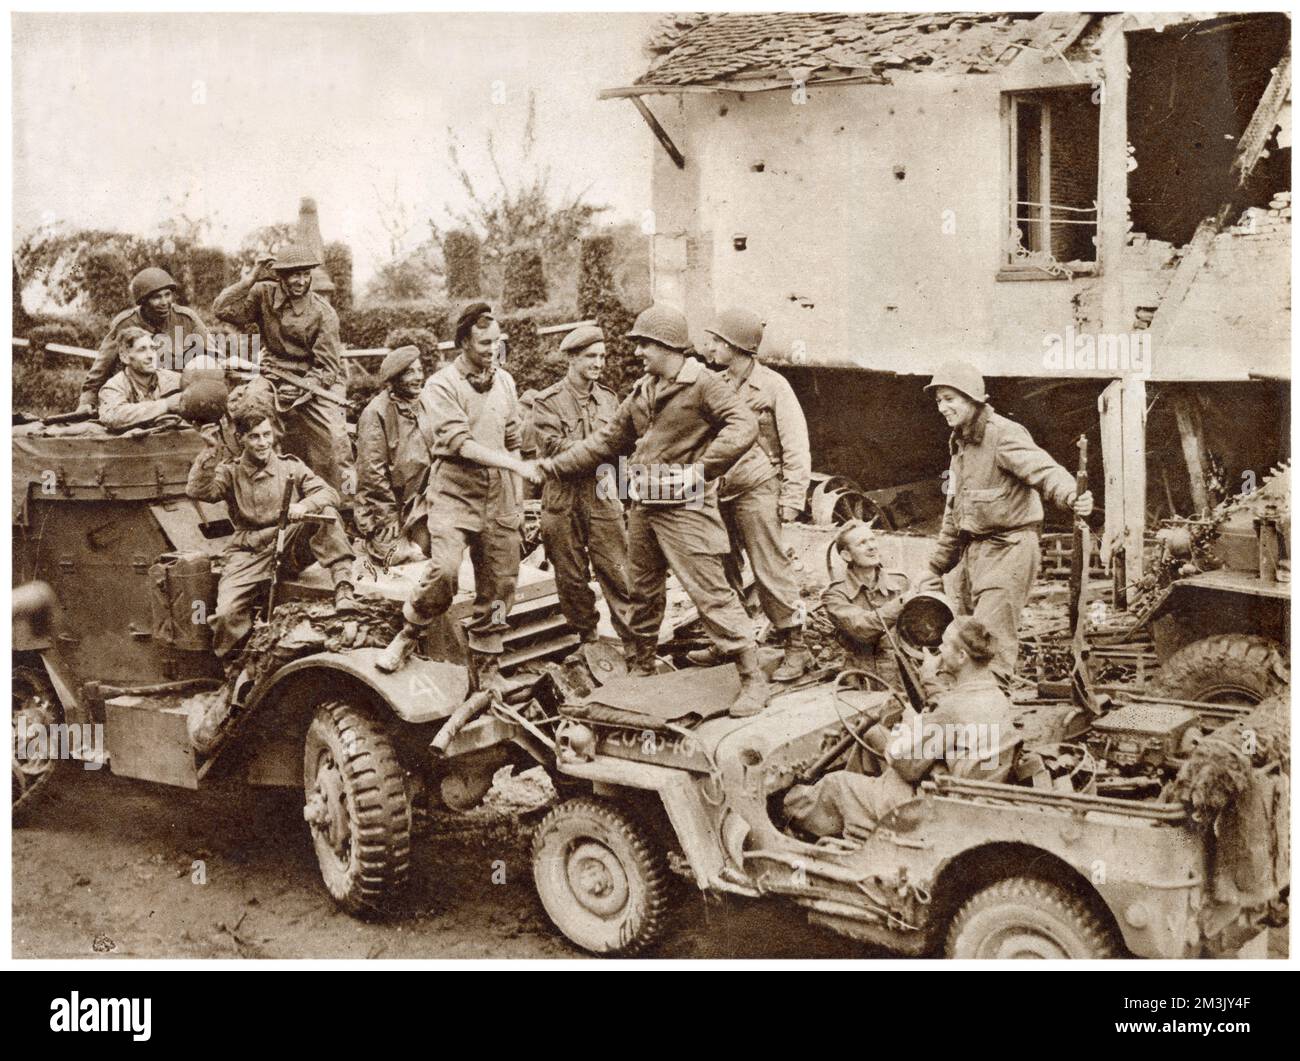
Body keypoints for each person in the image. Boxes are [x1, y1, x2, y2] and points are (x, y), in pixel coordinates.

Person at [534, 305, 770, 718]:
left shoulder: (704, 384)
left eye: (644, 344)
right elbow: (607, 441)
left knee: (709, 592)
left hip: (686, 509)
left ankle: (752, 678)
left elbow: (743, 426)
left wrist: (700, 471)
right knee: (641, 592)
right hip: (644, 505)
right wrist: (553, 466)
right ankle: (641, 667)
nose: (638, 352)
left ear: (668, 345)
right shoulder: (643, 389)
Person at [375, 303, 534, 695]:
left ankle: (488, 663)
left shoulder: (506, 383)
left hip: (498, 494)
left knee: (500, 583)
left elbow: (513, 442)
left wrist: (518, 503)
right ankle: (411, 630)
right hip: (454, 491)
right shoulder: (440, 385)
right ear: (463, 342)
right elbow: (460, 443)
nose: (492, 350)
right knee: (445, 570)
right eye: (483, 342)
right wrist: (511, 465)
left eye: (497, 342)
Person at [922, 361, 1093, 680]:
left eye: (949, 399)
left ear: (972, 398)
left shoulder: (1002, 434)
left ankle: (993, 718)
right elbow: (954, 511)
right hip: (976, 556)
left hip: (1010, 549)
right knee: (966, 638)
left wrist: (1073, 495)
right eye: (938, 401)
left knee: (989, 642)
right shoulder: (959, 444)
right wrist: (936, 566)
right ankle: (968, 712)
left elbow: (1046, 471)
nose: (942, 407)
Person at [782, 617, 1019, 839]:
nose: (937, 652)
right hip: (971, 792)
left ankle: (790, 823)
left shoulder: (952, 711)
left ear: (961, 656)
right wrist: (928, 680)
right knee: (873, 734)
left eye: (943, 646)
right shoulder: (994, 695)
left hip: (932, 806)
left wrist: (909, 721)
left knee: (836, 783)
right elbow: (950, 709)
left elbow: (907, 765)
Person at [185, 388, 358, 670]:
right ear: (240, 439)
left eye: (266, 435)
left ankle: (344, 587)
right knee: (227, 614)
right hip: (248, 552)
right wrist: (209, 451)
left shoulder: (291, 467)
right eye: (254, 437)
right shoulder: (230, 472)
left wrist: (305, 506)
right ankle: (240, 666)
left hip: (287, 541)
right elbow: (198, 489)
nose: (262, 442)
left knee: (324, 513)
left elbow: (329, 494)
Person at [688, 307, 812, 681]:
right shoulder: (714, 384)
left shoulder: (773, 386)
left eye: (717, 341)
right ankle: (731, 641)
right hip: (719, 490)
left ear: (736, 346)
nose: (710, 347)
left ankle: (796, 647)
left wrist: (792, 497)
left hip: (759, 488)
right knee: (720, 567)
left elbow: (796, 444)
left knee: (769, 568)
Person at [526, 325, 635, 658]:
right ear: (572, 359)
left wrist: (624, 494)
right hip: (562, 501)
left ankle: (634, 646)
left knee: (619, 573)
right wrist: (604, 448)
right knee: (571, 580)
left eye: (602, 356)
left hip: (603, 496)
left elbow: (621, 450)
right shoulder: (546, 402)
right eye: (591, 356)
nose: (599, 362)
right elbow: (556, 450)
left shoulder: (609, 399)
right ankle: (587, 641)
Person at [212, 244, 350, 491]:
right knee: (249, 410)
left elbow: (328, 367)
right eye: (294, 274)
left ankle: (339, 504)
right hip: (273, 373)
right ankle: (258, 489)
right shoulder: (262, 294)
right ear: (281, 276)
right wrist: (250, 278)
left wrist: (301, 390)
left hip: (315, 380)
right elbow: (221, 309)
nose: (301, 281)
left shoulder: (323, 312)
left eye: (305, 274)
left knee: (333, 437)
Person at [77, 267, 211, 412]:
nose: (164, 302)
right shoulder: (125, 323)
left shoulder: (187, 319)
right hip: (138, 401)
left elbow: (214, 356)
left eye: (167, 295)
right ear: (143, 301)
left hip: (178, 396)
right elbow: (102, 365)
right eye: (156, 297)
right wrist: (87, 400)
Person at [354, 345, 435, 566]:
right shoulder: (376, 413)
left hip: (426, 504)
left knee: (440, 548)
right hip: (390, 508)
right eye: (410, 372)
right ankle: (367, 541)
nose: (418, 377)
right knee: (399, 556)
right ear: (395, 379)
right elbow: (373, 477)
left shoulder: (426, 404)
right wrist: (388, 520)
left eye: (419, 370)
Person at [821, 521, 912, 682]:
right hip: (861, 679)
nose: (872, 547)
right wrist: (904, 601)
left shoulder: (900, 582)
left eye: (872, 540)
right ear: (847, 556)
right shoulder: (835, 594)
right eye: (862, 543)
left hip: (904, 676)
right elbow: (862, 628)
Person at [96, 327, 184, 431]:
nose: (151, 355)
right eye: (142, 349)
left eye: (153, 349)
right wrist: (165, 405)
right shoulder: (113, 387)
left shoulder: (176, 380)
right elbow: (113, 416)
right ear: (125, 357)